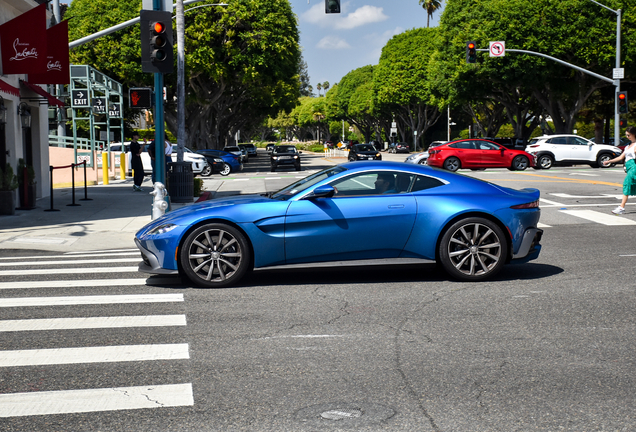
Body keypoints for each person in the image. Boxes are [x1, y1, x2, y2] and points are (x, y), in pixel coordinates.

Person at [604, 126, 636, 214]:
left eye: (629, 135)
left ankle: (621, 207)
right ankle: (621, 207)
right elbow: (621, 157)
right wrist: (609, 161)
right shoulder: (628, 146)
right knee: (630, 185)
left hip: (634, 167)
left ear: (634, 134)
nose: (627, 137)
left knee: (627, 185)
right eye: (626, 135)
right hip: (629, 168)